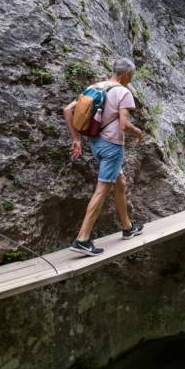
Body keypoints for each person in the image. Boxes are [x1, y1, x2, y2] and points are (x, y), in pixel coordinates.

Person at [63, 58, 145, 256]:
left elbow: (68, 109)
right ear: (126, 74)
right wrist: (138, 132)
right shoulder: (123, 92)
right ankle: (82, 239)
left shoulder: (96, 86)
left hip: (96, 144)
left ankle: (127, 227)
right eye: (131, 76)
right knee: (102, 190)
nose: (131, 79)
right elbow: (124, 125)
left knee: (120, 182)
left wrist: (76, 139)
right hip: (112, 147)